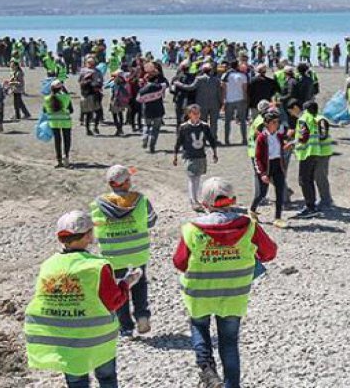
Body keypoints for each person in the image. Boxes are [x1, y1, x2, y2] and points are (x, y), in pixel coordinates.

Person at [173, 177, 277, 388]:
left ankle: (207, 369)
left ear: (204, 204)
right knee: (229, 343)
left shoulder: (191, 229)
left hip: (199, 294)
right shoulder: (248, 226)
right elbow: (270, 253)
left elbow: (180, 262)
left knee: (199, 327)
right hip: (233, 295)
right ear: (234, 200)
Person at [24, 210, 142, 388]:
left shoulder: (48, 266)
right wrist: (127, 283)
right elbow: (114, 301)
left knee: (76, 381)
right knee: (107, 378)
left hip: (67, 342)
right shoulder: (96, 266)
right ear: (88, 236)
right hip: (99, 340)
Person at [89, 165, 158, 339]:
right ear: (126, 182)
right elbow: (151, 221)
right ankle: (142, 315)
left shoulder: (98, 204)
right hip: (137, 253)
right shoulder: (141, 200)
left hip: (113, 256)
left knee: (120, 289)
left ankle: (126, 327)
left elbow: (94, 228)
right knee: (140, 283)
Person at [175, 104, 220, 212]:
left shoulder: (204, 126)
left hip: (200, 155)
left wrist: (215, 153)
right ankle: (193, 200)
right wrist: (175, 156)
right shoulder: (184, 127)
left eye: (198, 113)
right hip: (189, 156)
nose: (197, 115)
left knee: (198, 177)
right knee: (191, 177)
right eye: (194, 113)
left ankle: (195, 199)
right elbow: (178, 142)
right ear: (189, 114)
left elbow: (211, 139)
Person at [252, 110, 291, 229]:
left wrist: (288, 145)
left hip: (277, 166)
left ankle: (278, 218)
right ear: (267, 123)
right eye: (274, 122)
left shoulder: (279, 136)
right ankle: (252, 210)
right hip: (266, 167)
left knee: (280, 191)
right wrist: (263, 173)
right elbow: (257, 158)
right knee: (262, 193)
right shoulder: (261, 138)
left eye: (277, 122)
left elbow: (282, 146)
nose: (276, 124)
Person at [176, 63, 224, 141]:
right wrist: (221, 102)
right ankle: (213, 138)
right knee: (214, 123)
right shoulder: (216, 80)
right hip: (214, 103)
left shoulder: (199, 79)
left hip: (202, 104)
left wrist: (179, 84)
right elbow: (219, 93)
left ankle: (203, 139)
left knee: (203, 123)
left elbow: (190, 88)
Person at [292, 101, 323, 219]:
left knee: (303, 180)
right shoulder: (314, 119)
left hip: (306, 153)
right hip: (315, 151)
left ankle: (310, 207)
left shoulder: (303, 118)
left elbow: (303, 136)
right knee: (309, 179)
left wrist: (293, 143)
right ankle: (312, 205)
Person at [137, 61, 168, 153]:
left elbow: (139, 97)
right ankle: (152, 146)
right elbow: (167, 84)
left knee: (146, 126)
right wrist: (158, 75)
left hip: (147, 109)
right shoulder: (159, 86)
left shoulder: (144, 88)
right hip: (158, 109)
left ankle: (145, 138)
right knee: (155, 129)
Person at [44, 80, 73, 168]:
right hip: (65, 121)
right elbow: (71, 110)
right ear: (61, 88)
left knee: (57, 141)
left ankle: (59, 160)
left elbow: (44, 110)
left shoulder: (47, 98)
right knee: (66, 140)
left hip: (54, 122)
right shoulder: (66, 97)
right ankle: (66, 157)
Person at [222, 61, 249, 145]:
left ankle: (226, 140)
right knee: (243, 121)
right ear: (237, 66)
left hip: (229, 100)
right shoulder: (242, 75)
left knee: (227, 121)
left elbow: (223, 88)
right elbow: (245, 89)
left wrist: (224, 100)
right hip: (240, 99)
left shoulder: (225, 75)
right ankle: (244, 139)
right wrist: (246, 99)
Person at [79, 56, 104, 136]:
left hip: (95, 93)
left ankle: (95, 127)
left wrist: (98, 85)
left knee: (98, 112)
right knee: (88, 113)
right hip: (87, 94)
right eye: (89, 62)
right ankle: (88, 129)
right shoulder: (83, 71)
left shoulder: (97, 71)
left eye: (92, 63)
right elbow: (80, 81)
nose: (91, 64)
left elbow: (101, 81)